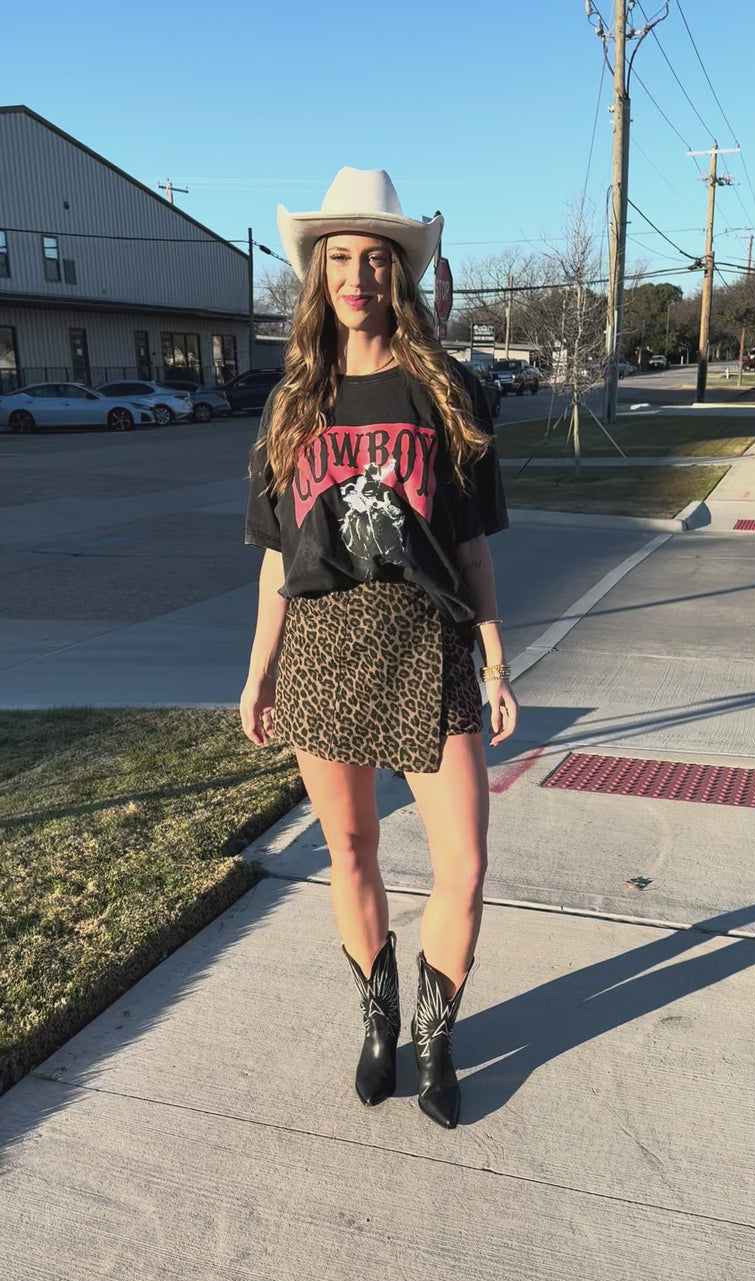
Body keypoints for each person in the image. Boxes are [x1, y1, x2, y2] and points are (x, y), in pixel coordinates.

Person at [240, 168, 518, 1129]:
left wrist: (496, 659)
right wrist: (259, 671)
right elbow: (276, 557)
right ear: (318, 274)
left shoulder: (447, 391)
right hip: (323, 647)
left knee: (465, 862)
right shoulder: (293, 403)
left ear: (398, 272)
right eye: (340, 259)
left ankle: (436, 1037)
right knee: (351, 848)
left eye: (375, 259)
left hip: (427, 643)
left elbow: (471, 546)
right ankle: (378, 1020)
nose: (357, 276)